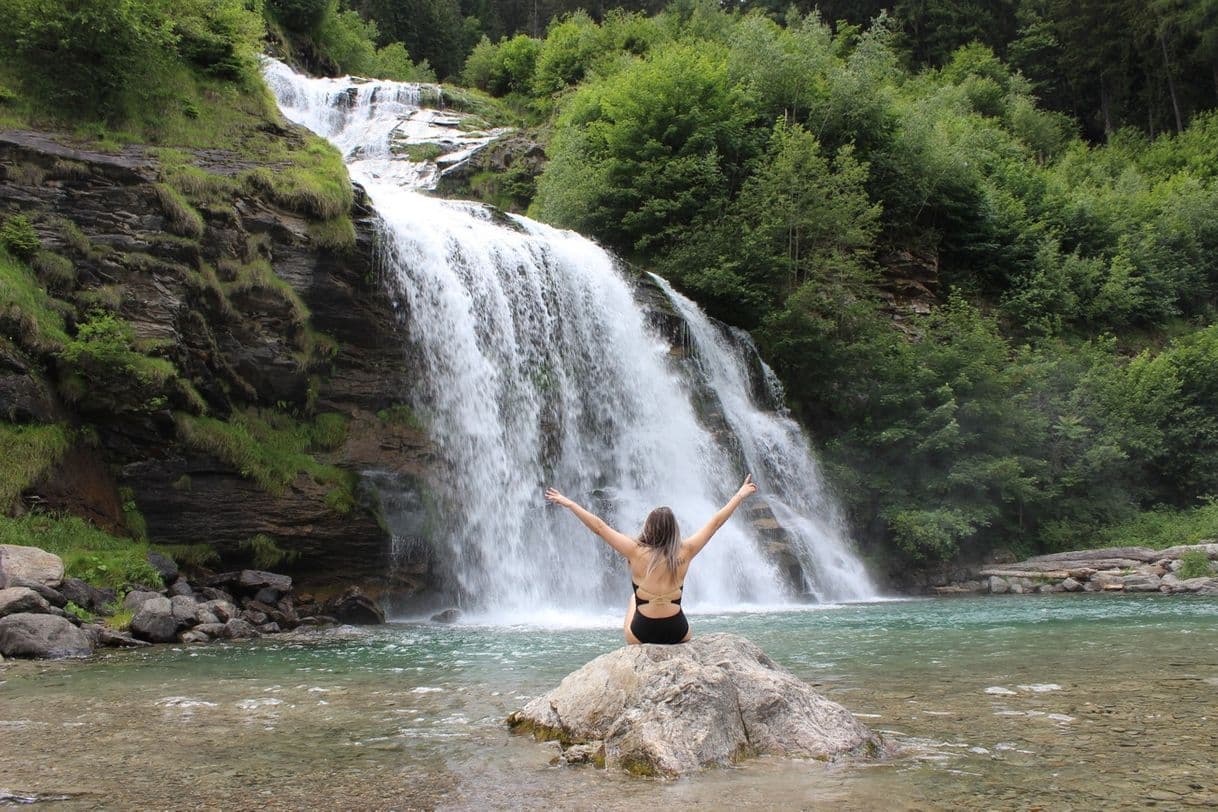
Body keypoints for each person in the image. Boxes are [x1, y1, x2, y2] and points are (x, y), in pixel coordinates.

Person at [543, 475, 758, 645]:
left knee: (633, 599)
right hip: (678, 631)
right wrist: (739, 495)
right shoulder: (686, 551)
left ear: (649, 527)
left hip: (642, 632)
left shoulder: (635, 551)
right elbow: (716, 523)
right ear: (674, 530)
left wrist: (568, 503)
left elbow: (599, 527)